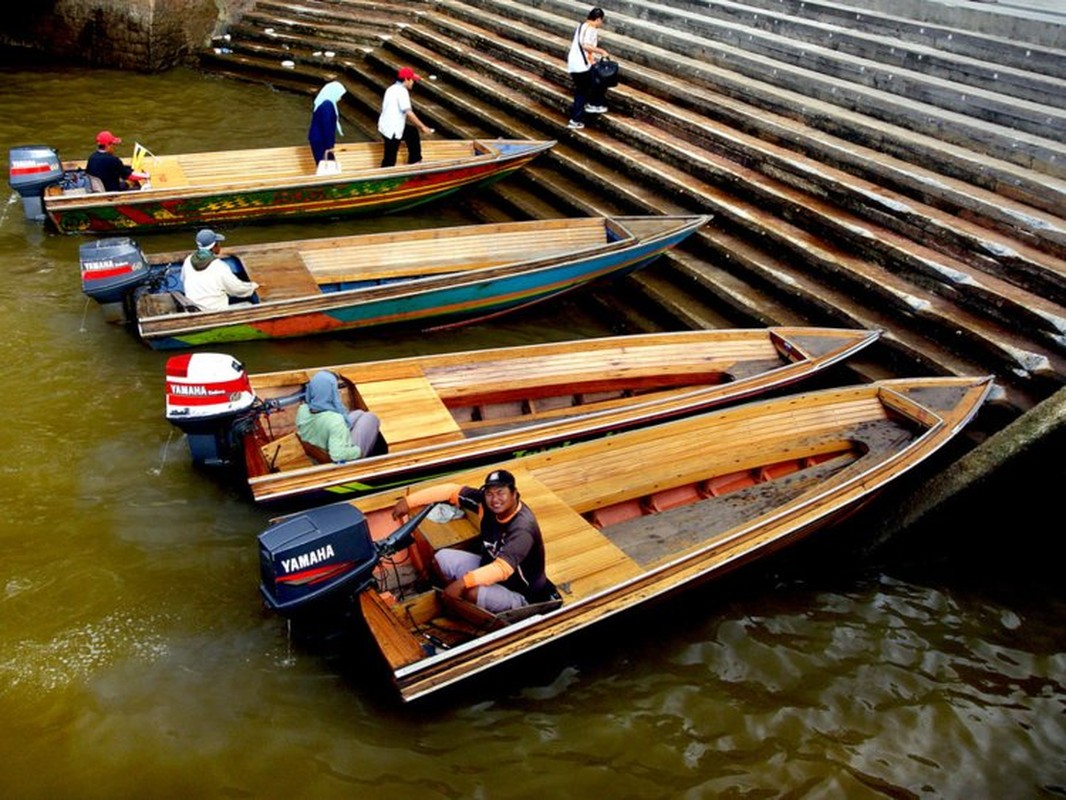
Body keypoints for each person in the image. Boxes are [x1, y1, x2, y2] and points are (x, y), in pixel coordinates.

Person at [391, 469, 555, 613]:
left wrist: (462, 583)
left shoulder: (522, 528)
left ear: (514, 494)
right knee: (441, 558)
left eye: (500, 492)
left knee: (470, 592)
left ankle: (470, 609)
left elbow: (502, 569)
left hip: (521, 592)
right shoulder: (486, 503)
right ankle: (455, 604)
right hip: (488, 568)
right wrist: (408, 501)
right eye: (489, 493)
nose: (494, 499)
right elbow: (451, 491)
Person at [295, 371, 382, 463]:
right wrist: (358, 452)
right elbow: (338, 455)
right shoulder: (336, 419)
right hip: (338, 460)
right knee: (370, 418)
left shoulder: (303, 409)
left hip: (319, 441)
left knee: (358, 413)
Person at [179, 229, 259, 312]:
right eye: (218, 243)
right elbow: (236, 289)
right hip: (215, 310)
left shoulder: (188, 261)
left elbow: (183, 279)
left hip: (194, 308)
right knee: (249, 303)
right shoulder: (219, 266)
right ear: (214, 246)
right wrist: (253, 286)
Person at [377, 66, 435, 168]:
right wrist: (423, 127)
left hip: (384, 125)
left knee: (411, 132)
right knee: (389, 159)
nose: (413, 82)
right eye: (412, 80)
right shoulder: (402, 92)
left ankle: (415, 159)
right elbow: (409, 113)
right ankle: (383, 176)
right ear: (406, 79)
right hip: (393, 130)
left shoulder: (391, 88)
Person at [566, 7, 610, 130]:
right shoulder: (591, 29)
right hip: (581, 66)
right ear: (598, 19)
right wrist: (602, 51)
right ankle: (578, 117)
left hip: (575, 64)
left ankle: (593, 104)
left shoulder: (582, 26)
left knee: (589, 84)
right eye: (601, 21)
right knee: (586, 88)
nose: (601, 23)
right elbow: (586, 45)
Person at [307, 80, 346, 165]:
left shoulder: (323, 101)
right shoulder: (327, 105)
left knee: (323, 162)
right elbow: (327, 127)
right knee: (325, 163)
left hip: (317, 137)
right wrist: (330, 146)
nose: (340, 98)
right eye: (340, 95)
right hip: (320, 140)